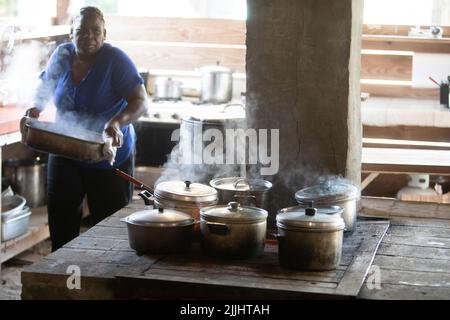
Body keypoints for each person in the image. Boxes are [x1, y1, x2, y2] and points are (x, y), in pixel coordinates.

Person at [25, 6, 148, 251]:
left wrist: (117, 122)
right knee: (61, 223)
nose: (88, 36)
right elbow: (45, 86)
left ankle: (106, 282)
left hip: (107, 154)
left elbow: (141, 101)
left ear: (104, 34)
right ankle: (64, 279)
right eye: (81, 30)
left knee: (108, 227)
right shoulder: (62, 54)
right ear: (71, 33)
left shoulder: (115, 60)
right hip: (65, 147)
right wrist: (35, 108)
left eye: (95, 31)